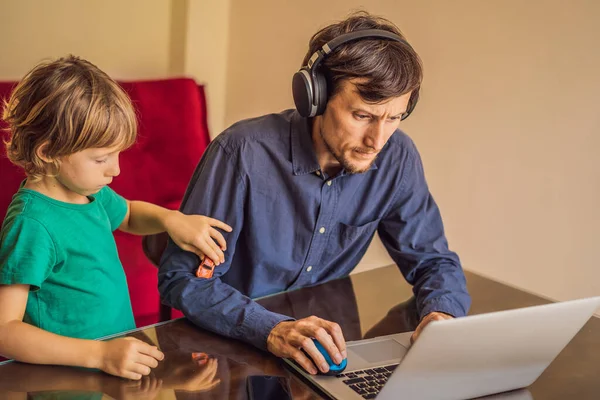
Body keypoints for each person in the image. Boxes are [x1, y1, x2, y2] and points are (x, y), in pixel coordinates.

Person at [159, 11, 471, 376]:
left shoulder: (397, 157)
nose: (377, 141)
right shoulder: (241, 153)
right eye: (362, 116)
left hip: (327, 353)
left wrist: (441, 315)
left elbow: (433, 259)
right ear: (316, 97)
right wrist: (270, 328)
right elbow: (183, 279)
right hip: (232, 358)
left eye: (394, 118)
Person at [0, 55, 232, 380]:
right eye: (101, 158)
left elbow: (131, 214)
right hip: (70, 380)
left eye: (118, 154)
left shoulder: (88, 193)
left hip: (113, 364)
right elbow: (6, 332)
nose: (116, 169)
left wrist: (171, 219)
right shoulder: (31, 224)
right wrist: (98, 355)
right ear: (48, 152)